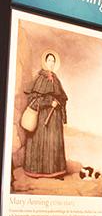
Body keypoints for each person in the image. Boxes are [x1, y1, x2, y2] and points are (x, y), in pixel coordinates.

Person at [23, 50, 68, 179]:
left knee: (54, 143)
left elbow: (62, 98)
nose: (51, 63)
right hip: (42, 117)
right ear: (45, 62)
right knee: (40, 141)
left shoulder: (56, 80)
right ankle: (36, 171)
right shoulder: (39, 78)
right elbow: (33, 99)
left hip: (55, 119)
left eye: (53, 61)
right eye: (49, 60)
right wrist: (49, 102)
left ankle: (55, 171)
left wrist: (59, 105)